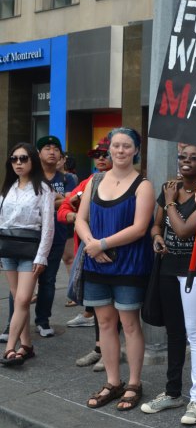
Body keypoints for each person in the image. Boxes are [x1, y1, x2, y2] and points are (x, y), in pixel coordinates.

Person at [75, 127, 154, 411]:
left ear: (136, 150)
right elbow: (80, 219)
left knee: (130, 324)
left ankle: (134, 382)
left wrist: (102, 244)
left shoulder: (143, 185)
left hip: (129, 265)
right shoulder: (95, 181)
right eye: (116, 146)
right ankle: (113, 381)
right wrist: (91, 244)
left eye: (127, 146)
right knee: (105, 324)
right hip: (97, 262)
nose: (121, 151)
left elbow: (139, 228)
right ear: (109, 149)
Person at [141, 145, 196, 425]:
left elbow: (184, 229)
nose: (186, 162)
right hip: (168, 268)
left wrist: (171, 201)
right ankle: (173, 393)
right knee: (174, 332)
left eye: (193, 158)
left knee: (195, 334)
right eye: (183, 157)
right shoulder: (169, 188)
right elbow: (157, 226)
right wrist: (157, 238)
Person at [58, 137, 113, 371]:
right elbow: (63, 209)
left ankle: (111, 352)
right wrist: (73, 216)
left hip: (116, 251)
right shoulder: (88, 182)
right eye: (97, 155)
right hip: (90, 251)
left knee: (120, 309)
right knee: (99, 305)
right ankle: (100, 348)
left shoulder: (130, 181)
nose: (101, 158)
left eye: (104, 154)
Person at [0, 143, 54, 366]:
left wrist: (42, 256)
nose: (18, 163)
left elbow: (49, 227)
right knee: (17, 298)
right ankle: (27, 346)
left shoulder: (43, 189)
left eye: (23, 158)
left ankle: (10, 349)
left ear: (32, 160)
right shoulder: (7, 188)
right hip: (8, 248)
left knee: (22, 299)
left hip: (30, 249)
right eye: (14, 159)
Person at [32, 136, 77, 338]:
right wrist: (59, 199)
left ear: (61, 155)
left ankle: (43, 321)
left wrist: (51, 200)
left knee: (48, 281)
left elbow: (70, 203)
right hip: (31, 235)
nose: (52, 151)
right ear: (39, 153)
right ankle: (12, 324)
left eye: (56, 148)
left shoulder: (68, 179)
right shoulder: (30, 176)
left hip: (57, 235)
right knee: (24, 281)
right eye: (47, 148)